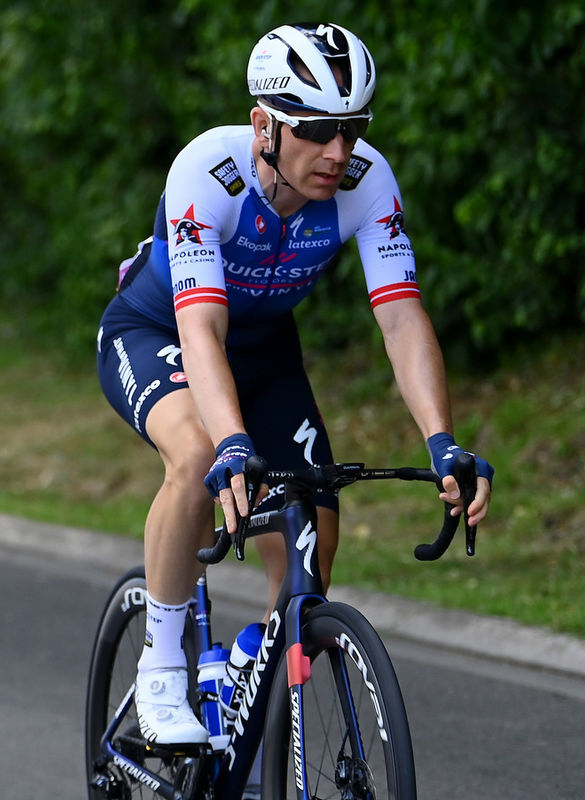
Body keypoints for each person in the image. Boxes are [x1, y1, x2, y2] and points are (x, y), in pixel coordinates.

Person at [95, 22, 495, 749]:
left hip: (265, 349)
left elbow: (402, 319)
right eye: (314, 131)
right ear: (265, 126)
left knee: (314, 536)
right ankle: (161, 664)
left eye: (352, 128)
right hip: (159, 332)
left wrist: (442, 442)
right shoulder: (207, 172)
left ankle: (248, 672)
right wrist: (233, 441)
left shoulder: (366, 181)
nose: (338, 153)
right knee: (197, 455)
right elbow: (202, 329)